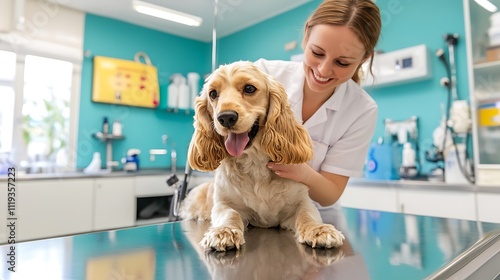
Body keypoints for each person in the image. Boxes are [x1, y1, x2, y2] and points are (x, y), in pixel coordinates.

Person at [255, 0, 382, 223]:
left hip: (310, 218)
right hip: (249, 209)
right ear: (306, 37)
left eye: (342, 63)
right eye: (317, 52)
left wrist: (301, 171)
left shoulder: (361, 110)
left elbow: (330, 194)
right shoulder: (262, 75)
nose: (323, 70)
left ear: (364, 60)